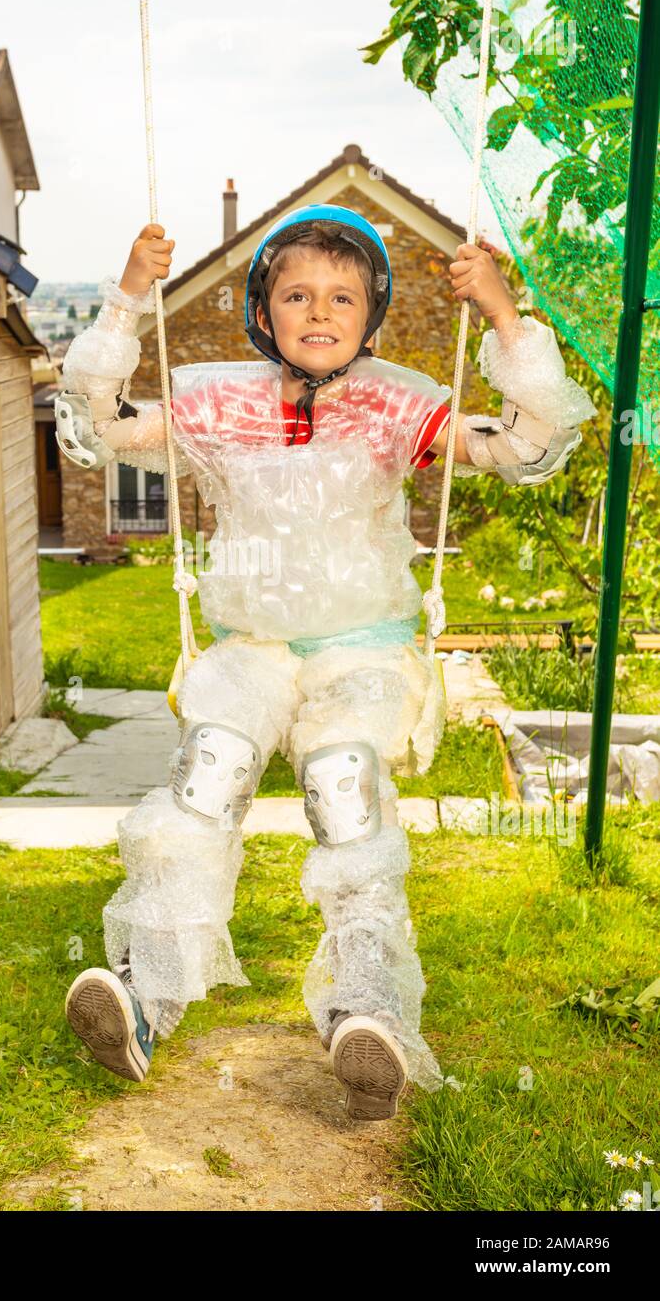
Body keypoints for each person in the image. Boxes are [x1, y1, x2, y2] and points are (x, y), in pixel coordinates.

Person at [54, 206, 596, 1119]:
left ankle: (367, 1014)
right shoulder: (217, 400)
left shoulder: (397, 403)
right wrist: (129, 297)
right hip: (253, 648)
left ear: (371, 318)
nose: (318, 311)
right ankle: (144, 992)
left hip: (361, 648)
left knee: (345, 792)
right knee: (204, 782)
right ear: (261, 313)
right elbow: (101, 424)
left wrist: (503, 316)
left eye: (342, 297)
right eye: (296, 293)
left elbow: (530, 446)